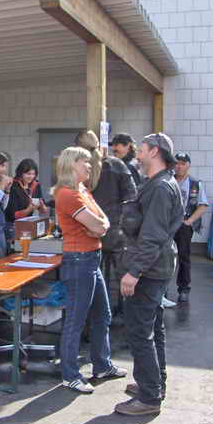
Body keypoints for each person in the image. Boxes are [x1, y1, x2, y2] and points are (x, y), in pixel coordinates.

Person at [116, 133, 184, 416]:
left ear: (155, 152)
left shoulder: (160, 188)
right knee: (154, 329)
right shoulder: (161, 183)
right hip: (158, 266)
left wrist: (134, 272)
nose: (138, 153)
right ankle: (154, 385)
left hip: (149, 270)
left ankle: (148, 398)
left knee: (140, 333)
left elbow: (152, 236)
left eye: (142, 149)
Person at [54, 147, 127, 394]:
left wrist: (99, 227)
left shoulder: (82, 191)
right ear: (71, 164)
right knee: (76, 321)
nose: (89, 165)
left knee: (102, 315)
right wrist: (98, 227)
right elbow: (97, 224)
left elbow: (103, 222)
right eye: (84, 161)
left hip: (90, 259)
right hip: (79, 261)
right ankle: (70, 375)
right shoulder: (67, 194)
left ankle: (102, 366)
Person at [76, 131, 137, 318]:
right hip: (117, 232)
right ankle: (127, 318)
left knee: (91, 281)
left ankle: (94, 319)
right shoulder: (117, 165)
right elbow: (132, 198)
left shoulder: (79, 170)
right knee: (124, 281)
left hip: (89, 234)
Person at [170, 152, 209, 304]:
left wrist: (189, 221)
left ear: (188, 165)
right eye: (177, 163)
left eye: (183, 163)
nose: (179, 166)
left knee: (184, 256)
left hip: (184, 225)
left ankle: (184, 289)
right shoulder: (167, 180)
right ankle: (162, 290)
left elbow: (203, 205)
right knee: (163, 256)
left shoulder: (195, 184)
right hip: (167, 224)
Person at [4, 159, 49, 243]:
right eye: (28, 174)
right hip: (13, 226)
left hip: (28, 224)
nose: (31, 177)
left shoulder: (36, 185)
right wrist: (29, 209)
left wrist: (42, 207)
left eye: (33, 174)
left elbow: (43, 210)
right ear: (20, 173)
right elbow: (12, 215)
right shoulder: (13, 186)